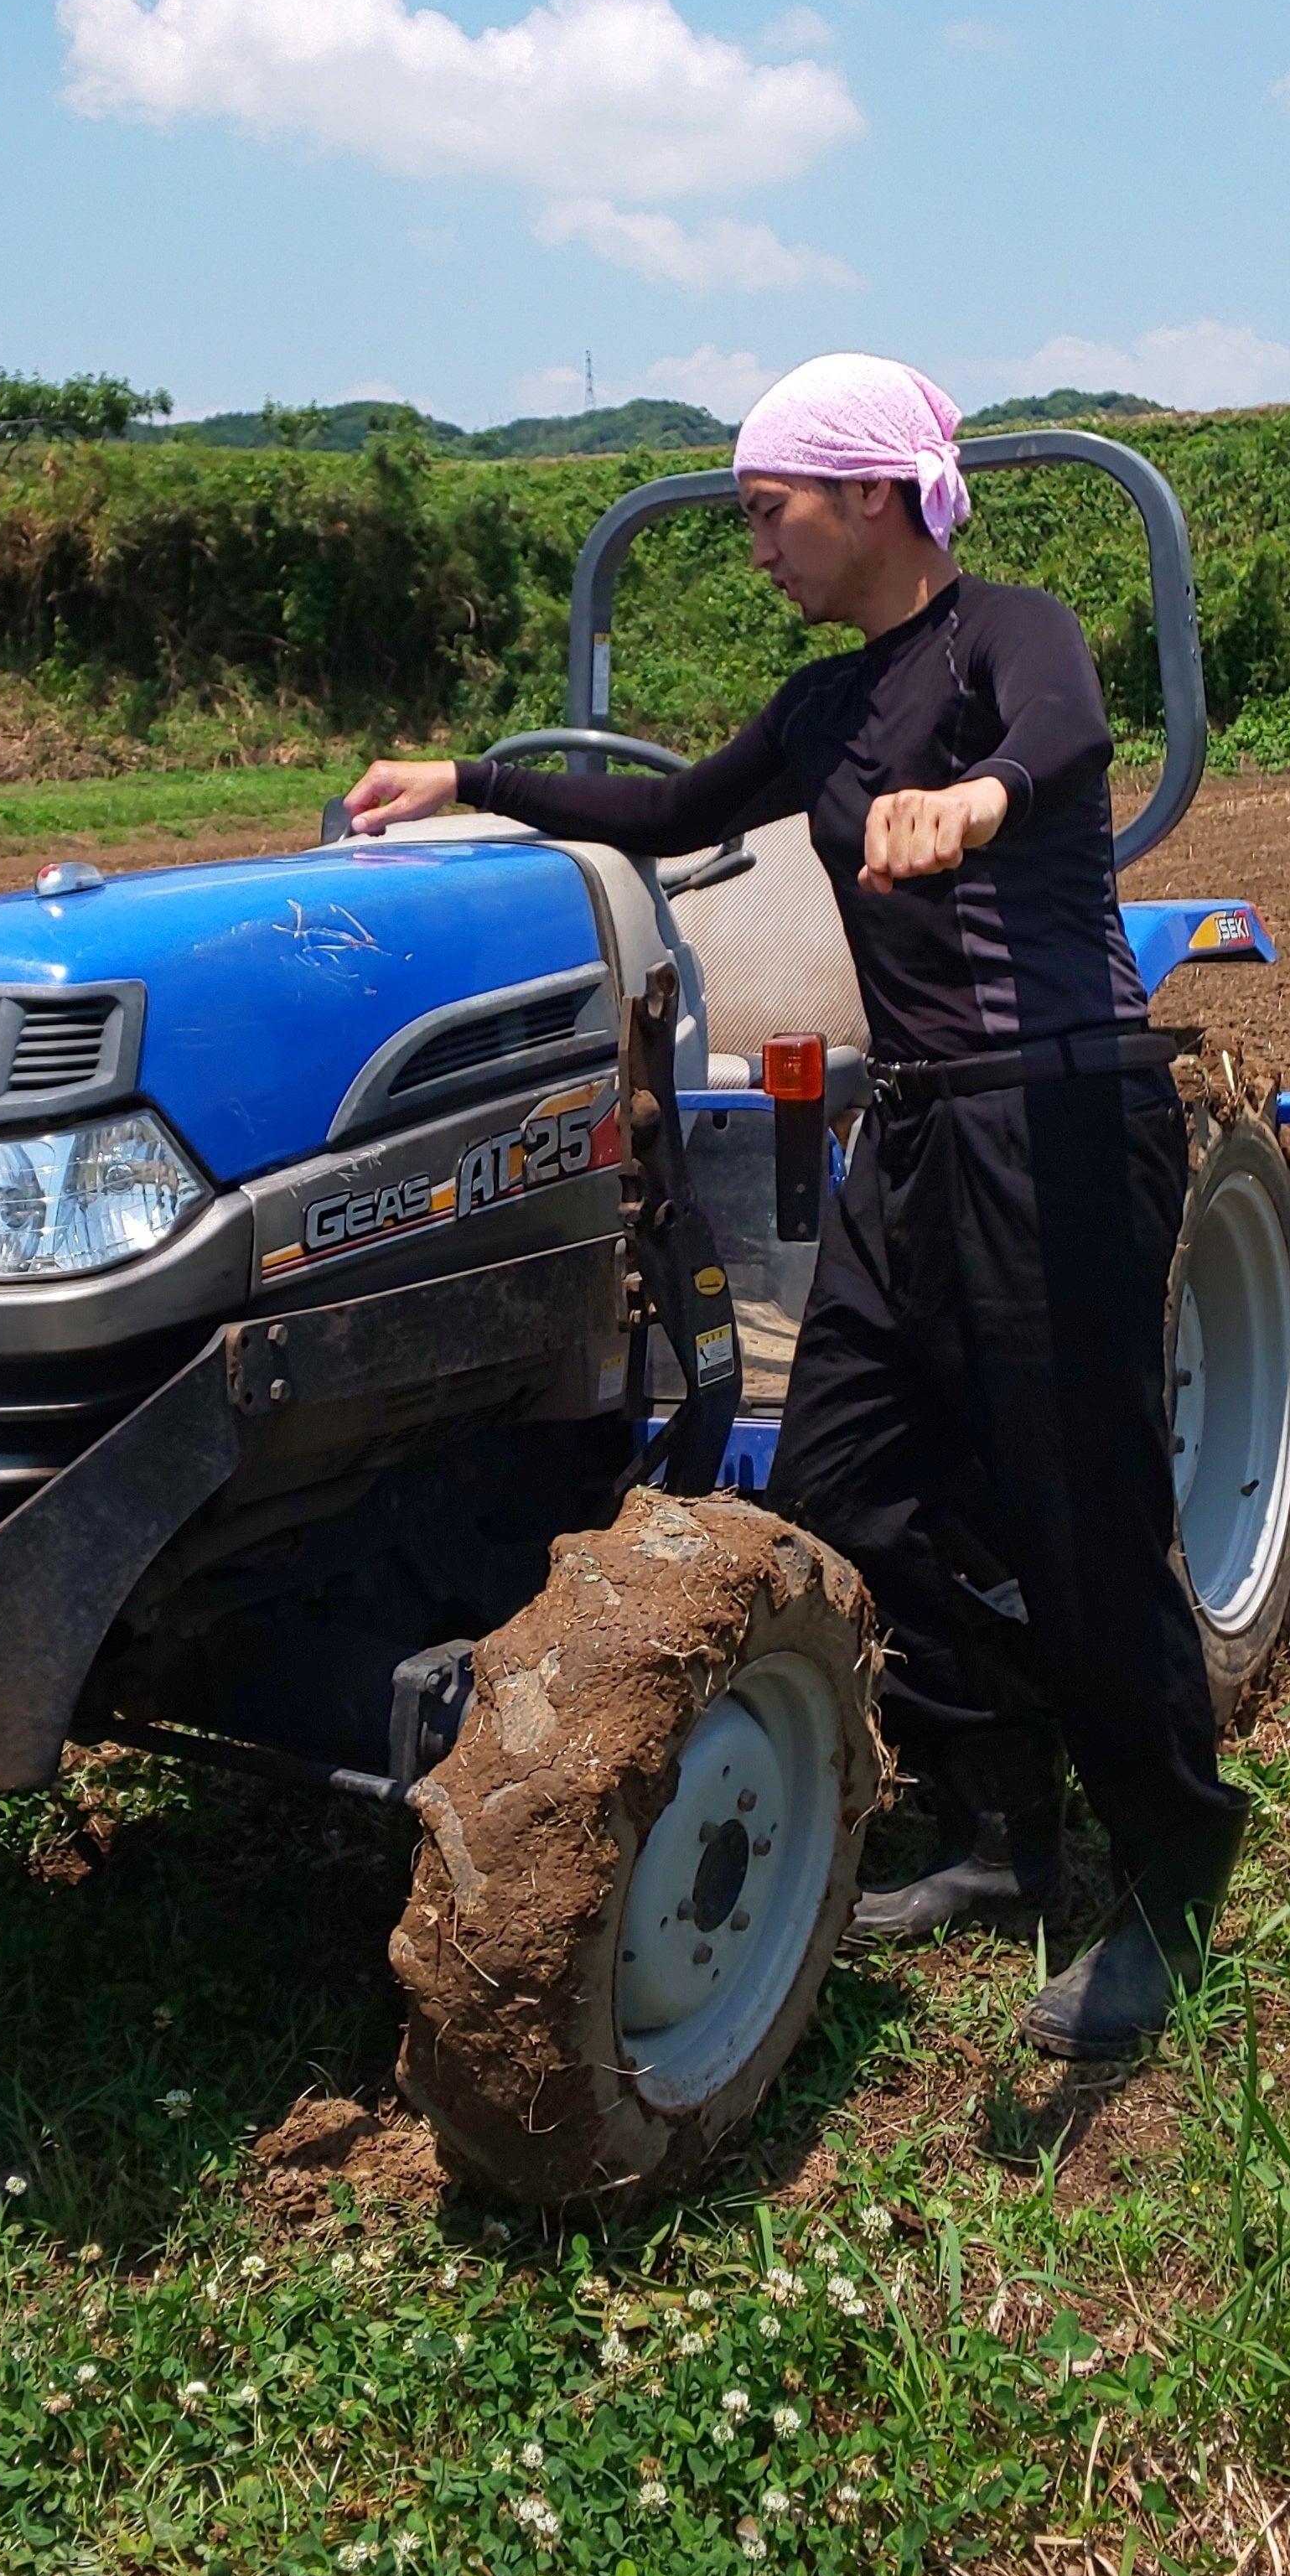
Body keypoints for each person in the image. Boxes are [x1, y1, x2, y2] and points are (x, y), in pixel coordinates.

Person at [344, 348, 1244, 2061]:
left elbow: (1064, 740)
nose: (751, 542)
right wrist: (464, 781)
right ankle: (999, 1818)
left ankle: (1172, 1873)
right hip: (908, 1138)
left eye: (767, 511)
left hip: (1051, 1115)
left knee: (1081, 1517)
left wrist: (974, 798)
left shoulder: (1005, 633)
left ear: (870, 495)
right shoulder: (830, 708)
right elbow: (672, 807)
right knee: (837, 1491)